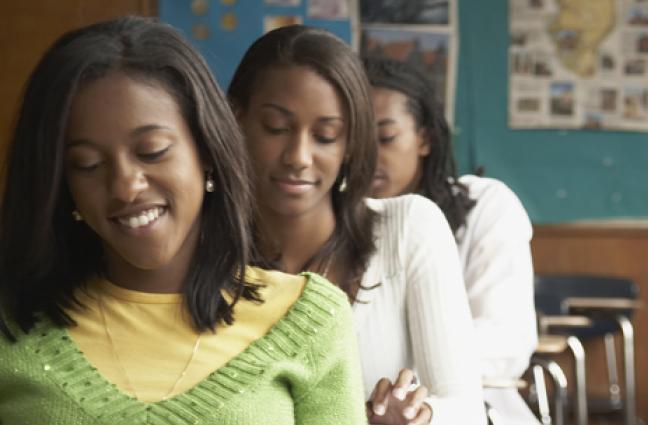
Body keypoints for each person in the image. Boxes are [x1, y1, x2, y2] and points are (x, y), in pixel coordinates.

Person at [0, 17, 365, 423]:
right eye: (87, 165)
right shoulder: (12, 327)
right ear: (61, 183)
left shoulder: (308, 321)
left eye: (152, 151)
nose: (126, 186)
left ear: (207, 150)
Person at [227, 25, 485, 425]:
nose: (298, 156)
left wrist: (418, 416)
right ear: (236, 120)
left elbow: (465, 407)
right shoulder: (206, 247)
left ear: (350, 144)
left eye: (326, 136)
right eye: (276, 128)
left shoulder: (408, 229)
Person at [362, 55, 539, 424]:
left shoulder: (486, 207)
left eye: (386, 138)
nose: (369, 156)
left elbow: (506, 343)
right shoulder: (333, 224)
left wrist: (400, 380)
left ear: (424, 138)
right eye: (353, 139)